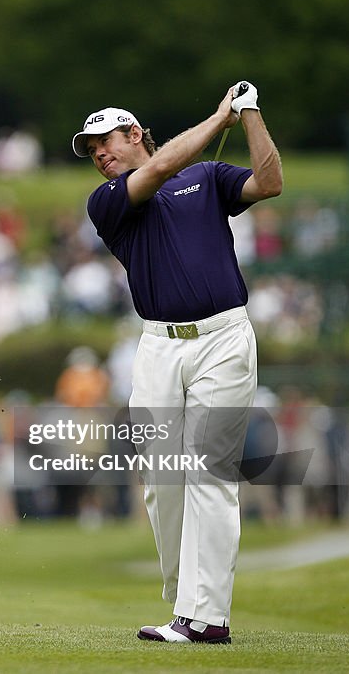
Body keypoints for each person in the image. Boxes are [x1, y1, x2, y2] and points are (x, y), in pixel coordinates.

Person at [71, 81, 282, 644]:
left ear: (134, 133)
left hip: (224, 339)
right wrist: (219, 119)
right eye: (91, 150)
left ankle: (204, 617)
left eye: (105, 141)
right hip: (158, 346)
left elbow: (270, 182)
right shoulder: (108, 201)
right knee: (164, 481)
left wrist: (250, 114)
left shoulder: (208, 178)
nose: (98, 155)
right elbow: (163, 166)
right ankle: (185, 596)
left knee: (210, 474)